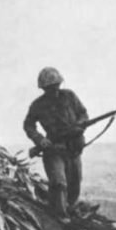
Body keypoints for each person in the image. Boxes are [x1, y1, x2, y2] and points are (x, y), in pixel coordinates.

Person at [23, 67, 89, 221]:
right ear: (43, 88)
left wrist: (79, 125)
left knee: (75, 183)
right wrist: (39, 140)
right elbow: (28, 125)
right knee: (59, 182)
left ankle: (69, 207)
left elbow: (83, 114)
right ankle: (60, 216)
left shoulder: (70, 96)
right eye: (49, 88)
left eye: (56, 86)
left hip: (73, 148)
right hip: (53, 149)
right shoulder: (37, 105)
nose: (54, 90)